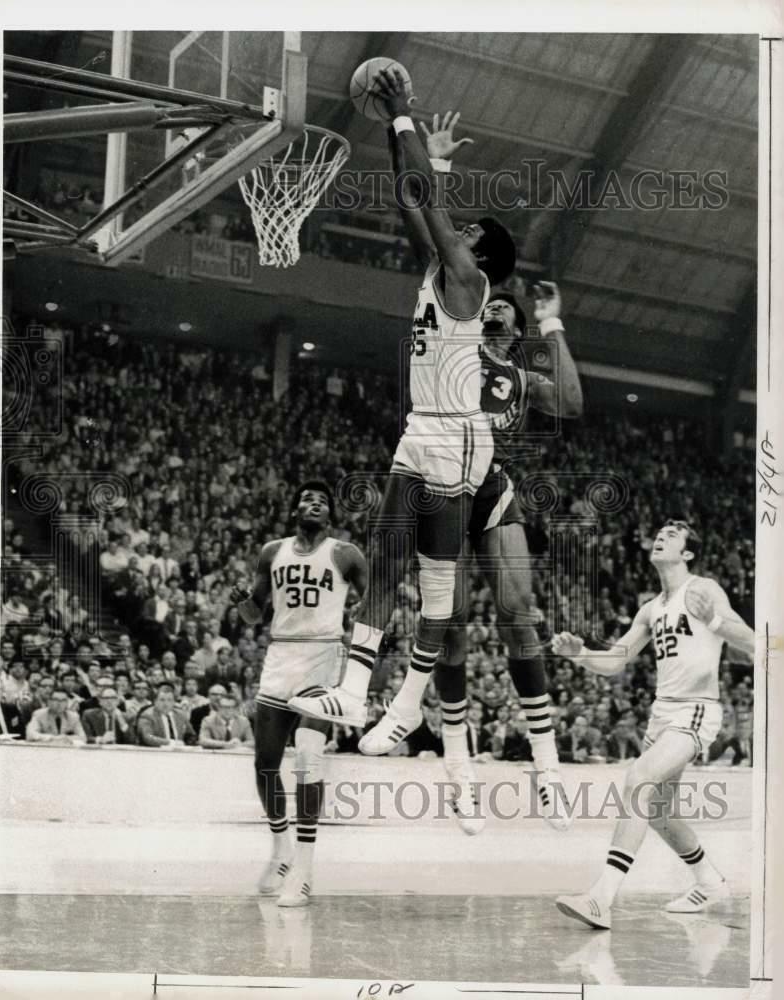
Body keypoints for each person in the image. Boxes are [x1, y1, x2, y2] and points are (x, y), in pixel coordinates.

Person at [291, 76, 516, 771]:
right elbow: (409, 196)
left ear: (480, 257)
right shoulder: (438, 271)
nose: (460, 229)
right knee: (385, 559)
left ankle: (412, 701)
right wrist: (420, 150)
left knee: (440, 593)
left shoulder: (473, 285)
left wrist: (403, 115)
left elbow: (428, 198)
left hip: (456, 436)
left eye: (470, 232)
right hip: (421, 426)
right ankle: (355, 693)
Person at [553, 520, 755, 928]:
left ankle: (601, 898)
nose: (661, 536)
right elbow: (615, 662)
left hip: (695, 709)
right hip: (661, 714)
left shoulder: (703, 589)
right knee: (659, 811)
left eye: (673, 534)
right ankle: (709, 880)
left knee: (639, 778)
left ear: (688, 553)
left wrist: (715, 622)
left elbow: (750, 641)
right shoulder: (651, 607)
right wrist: (581, 654)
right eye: (660, 532)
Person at [434, 284, 583, 830]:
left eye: (506, 310)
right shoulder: (454, 346)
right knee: (448, 625)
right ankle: (459, 766)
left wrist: (551, 323)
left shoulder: (520, 377)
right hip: (443, 485)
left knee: (520, 615)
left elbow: (571, 402)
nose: (495, 308)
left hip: (492, 489)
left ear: (515, 330)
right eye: (489, 304)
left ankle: (548, 771)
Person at [231, 482, 366, 908]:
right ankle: (282, 851)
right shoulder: (273, 552)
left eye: (323, 501)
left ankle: (304, 871)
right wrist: (241, 603)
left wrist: (363, 619)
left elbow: (374, 599)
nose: (315, 503)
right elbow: (255, 614)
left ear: (330, 516)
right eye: (308, 498)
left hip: (324, 655)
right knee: (265, 762)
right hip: (280, 655)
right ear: (295, 508)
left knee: (309, 754)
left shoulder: (345, 554)